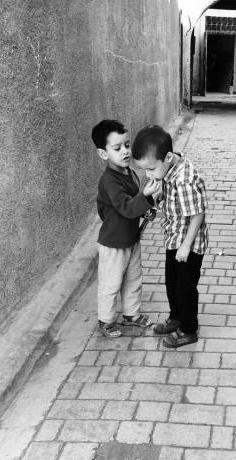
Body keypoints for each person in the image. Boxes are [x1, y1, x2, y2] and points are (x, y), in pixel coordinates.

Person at [132, 125, 208, 348]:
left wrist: (186, 245)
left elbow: (197, 214)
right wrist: (155, 202)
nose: (148, 175)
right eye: (144, 170)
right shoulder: (168, 167)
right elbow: (168, 199)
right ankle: (176, 318)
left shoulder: (184, 178)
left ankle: (188, 329)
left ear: (167, 157)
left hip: (189, 244)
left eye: (151, 169)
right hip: (173, 237)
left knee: (185, 288)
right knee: (172, 283)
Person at [91, 119, 160, 338]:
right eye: (117, 148)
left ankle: (131, 314)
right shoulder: (109, 180)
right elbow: (126, 207)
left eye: (127, 145)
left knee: (133, 278)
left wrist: (146, 207)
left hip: (131, 238)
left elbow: (134, 205)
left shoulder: (129, 173)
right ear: (104, 154)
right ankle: (106, 320)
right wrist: (145, 198)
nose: (125, 152)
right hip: (113, 244)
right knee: (110, 284)